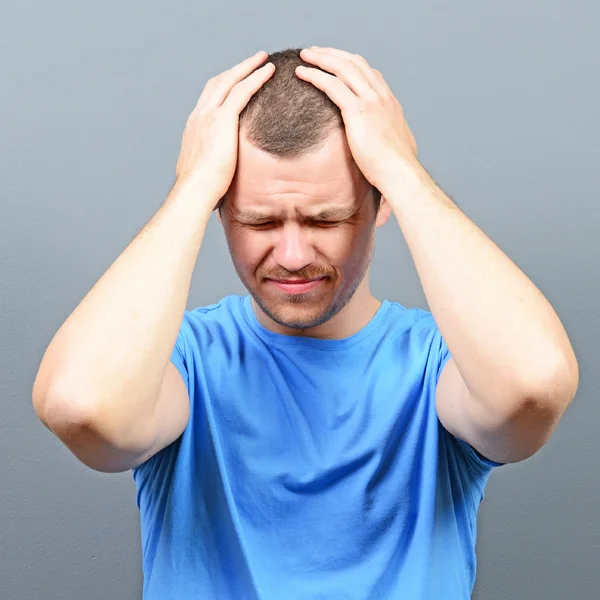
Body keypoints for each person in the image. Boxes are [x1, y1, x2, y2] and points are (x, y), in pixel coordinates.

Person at [32, 47, 579, 599]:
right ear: (221, 210)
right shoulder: (178, 363)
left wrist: (403, 173)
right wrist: (192, 187)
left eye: (327, 219)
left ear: (379, 203)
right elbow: (83, 409)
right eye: (260, 221)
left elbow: (532, 387)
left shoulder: (445, 367)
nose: (293, 255)